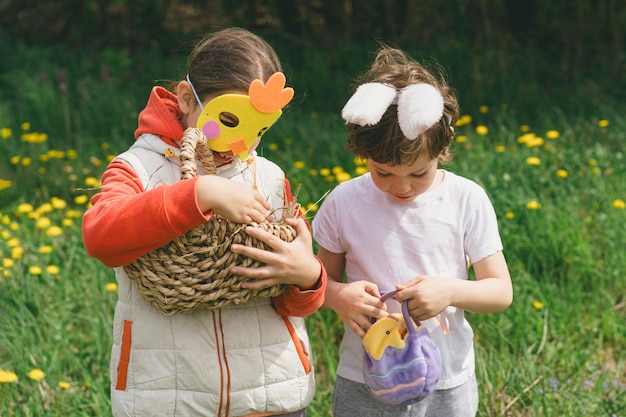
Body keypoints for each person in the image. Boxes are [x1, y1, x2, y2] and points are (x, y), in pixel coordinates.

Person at [82, 27, 327, 417]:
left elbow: (300, 300)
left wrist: (309, 275)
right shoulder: (139, 169)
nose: (240, 143)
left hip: (269, 396)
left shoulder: (270, 179)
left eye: (259, 128)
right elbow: (100, 235)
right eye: (229, 119)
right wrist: (200, 194)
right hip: (169, 398)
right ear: (184, 98)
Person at [311, 44, 513, 417]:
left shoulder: (465, 198)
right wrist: (338, 297)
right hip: (365, 376)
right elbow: (318, 280)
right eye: (383, 173)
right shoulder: (344, 201)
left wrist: (449, 290)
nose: (401, 187)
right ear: (361, 153)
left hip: (446, 381)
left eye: (419, 173)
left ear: (444, 146)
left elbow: (500, 291)